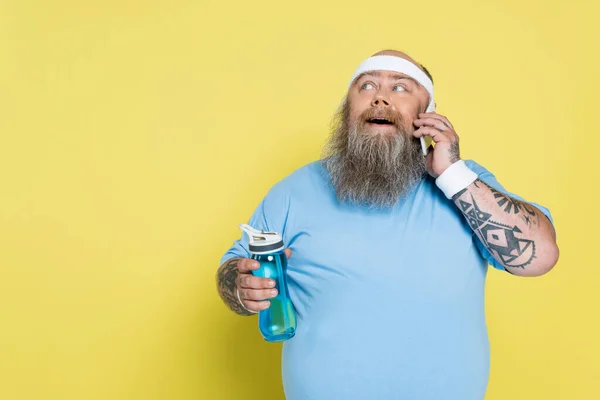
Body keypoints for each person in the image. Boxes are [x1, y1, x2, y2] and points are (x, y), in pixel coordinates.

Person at [215, 49, 559, 400]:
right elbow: (234, 269)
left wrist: (453, 175)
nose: (380, 96)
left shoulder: (466, 185)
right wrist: (242, 288)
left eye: (400, 88)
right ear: (347, 111)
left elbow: (540, 256)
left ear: (427, 116)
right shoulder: (293, 191)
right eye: (366, 85)